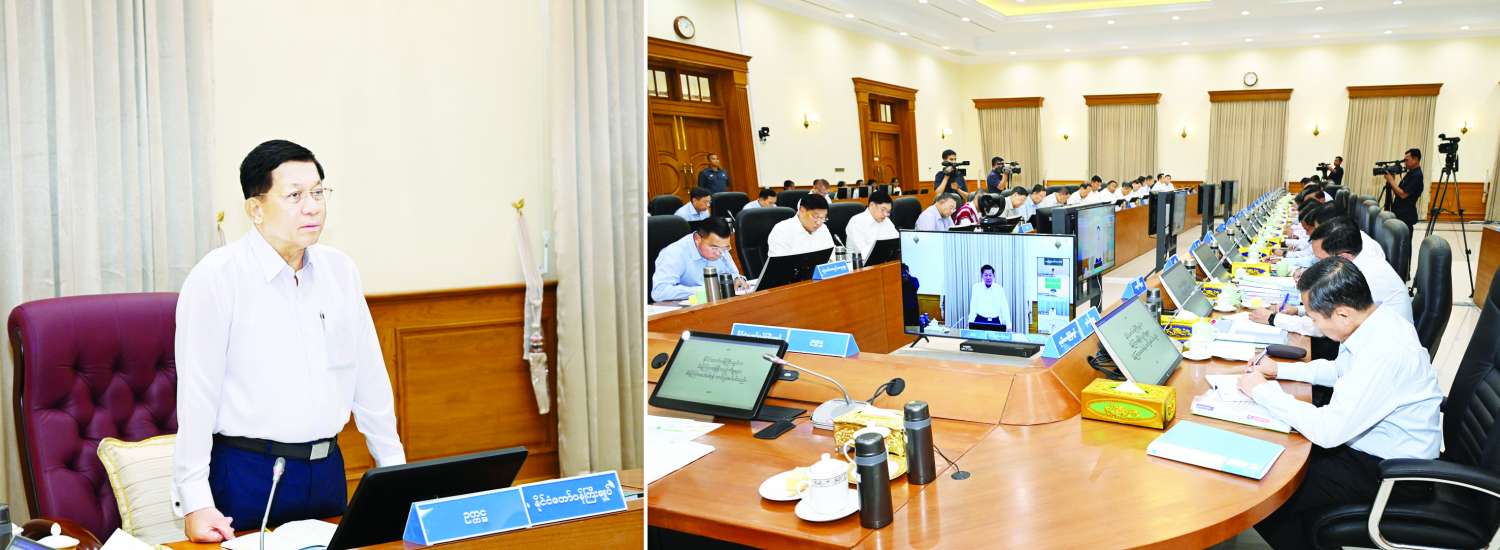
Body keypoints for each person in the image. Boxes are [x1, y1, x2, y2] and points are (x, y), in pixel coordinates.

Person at [174, 140, 405, 541]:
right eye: (295, 196)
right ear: (256, 208)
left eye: (318, 192)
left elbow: (369, 380)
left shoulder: (340, 271)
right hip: (248, 473)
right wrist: (195, 500)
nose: (312, 207)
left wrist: (395, 471)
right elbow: (197, 395)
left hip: (327, 470)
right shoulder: (217, 277)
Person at [1239, 256, 1441, 549]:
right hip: (1372, 449)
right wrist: (1278, 370)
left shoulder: (1384, 352)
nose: (1313, 324)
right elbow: (1339, 371)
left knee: (1269, 495)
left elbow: (1328, 432)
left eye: (1315, 319)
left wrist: (1262, 392)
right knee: (1279, 456)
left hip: (1394, 473)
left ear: (1343, 314)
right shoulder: (1375, 321)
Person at [1252, 219, 1409, 339]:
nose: (1317, 265)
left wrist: (1273, 318)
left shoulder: (1366, 277)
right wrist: (1298, 310)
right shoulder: (1357, 260)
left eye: (1321, 260)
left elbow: (1325, 326)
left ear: (1343, 257)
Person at [651, 216, 742, 302]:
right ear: (697, 239)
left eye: (725, 248)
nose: (719, 253)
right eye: (714, 248)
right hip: (685, 308)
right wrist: (707, 290)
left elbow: (734, 274)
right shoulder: (674, 253)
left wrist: (737, 279)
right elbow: (659, 292)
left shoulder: (721, 248)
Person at [766, 193, 834, 257]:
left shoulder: (823, 228)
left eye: (823, 218)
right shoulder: (781, 230)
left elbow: (832, 256)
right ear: (802, 211)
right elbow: (778, 263)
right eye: (816, 217)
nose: (819, 223)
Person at [1384, 148, 1424, 251]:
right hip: (1400, 214)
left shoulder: (1417, 176)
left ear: (1415, 159)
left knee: (1404, 247)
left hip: (1406, 216)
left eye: (1407, 160)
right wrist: (1392, 182)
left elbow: (1403, 194)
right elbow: (1399, 192)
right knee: (1398, 246)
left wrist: (1391, 181)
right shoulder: (1410, 173)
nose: (1404, 162)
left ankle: (1405, 262)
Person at [845, 190, 899, 259]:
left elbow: (897, 242)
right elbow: (863, 253)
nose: (886, 214)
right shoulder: (856, 222)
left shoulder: (886, 220)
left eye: (888, 211)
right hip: (860, 263)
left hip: (883, 261)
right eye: (883, 210)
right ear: (872, 205)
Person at [968, 265, 1012, 330]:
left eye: (990, 275)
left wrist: (1008, 325)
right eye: (986, 275)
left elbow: (1004, 307)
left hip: (995, 321)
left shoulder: (999, 289)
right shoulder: (976, 288)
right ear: (982, 276)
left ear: (993, 276)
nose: (988, 277)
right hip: (980, 320)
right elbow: (973, 306)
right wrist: (970, 323)